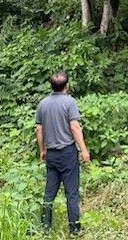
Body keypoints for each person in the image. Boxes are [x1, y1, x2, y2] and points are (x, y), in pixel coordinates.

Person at [35, 71, 90, 235]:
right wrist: (84, 150)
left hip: (51, 154)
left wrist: (42, 150)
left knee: (49, 193)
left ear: (51, 86)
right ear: (67, 85)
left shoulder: (42, 104)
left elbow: (39, 129)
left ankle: (45, 228)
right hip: (68, 153)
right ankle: (75, 230)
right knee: (71, 193)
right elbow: (74, 127)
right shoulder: (70, 102)